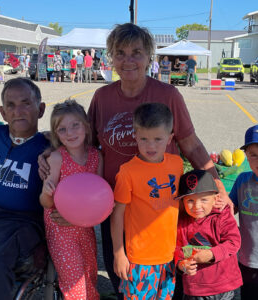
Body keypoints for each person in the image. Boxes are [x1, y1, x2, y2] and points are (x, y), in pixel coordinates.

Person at [39, 23, 229, 299]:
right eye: (120, 53)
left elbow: (191, 144)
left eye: (136, 52)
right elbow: (83, 140)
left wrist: (218, 185)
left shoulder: (168, 95)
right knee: (123, 276)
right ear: (112, 58)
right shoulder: (103, 97)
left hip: (159, 206)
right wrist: (49, 148)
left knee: (165, 278)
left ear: (149, 56)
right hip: (115, 204)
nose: (128, 60)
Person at [111, 103, 183, 298]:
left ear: (170, 139)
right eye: (144, 139)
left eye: (158, 139)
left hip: (169, 256)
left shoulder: (177, 165)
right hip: (139, 259)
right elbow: (117, 214)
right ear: (135, 136)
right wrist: (119, 253)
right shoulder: (128, 172)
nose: (150, 146)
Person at [0, 77, 48, 300]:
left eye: (26, 103)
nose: (18, 111)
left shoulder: (51, 147)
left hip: (23, 222)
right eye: (11, 106)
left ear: (40, 109)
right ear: (3, 113)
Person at [39, 99, 103, 300]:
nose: (70, 133)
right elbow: (46, 204)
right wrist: (47, 193)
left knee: (90, 276)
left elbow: (100, 198)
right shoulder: (57, 158)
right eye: (62, 129)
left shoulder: (96, 157)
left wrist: (84, 219)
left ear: (86, 126)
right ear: (56, 134)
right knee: (74, 284)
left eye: (75, 125)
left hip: (85, 228)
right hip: (61, 229)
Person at [175, 169, 242, 299]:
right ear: (182, 201)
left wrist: (211, 254)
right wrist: (181, 265)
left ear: (216, 199)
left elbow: (234, 242)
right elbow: (178, 249)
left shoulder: (222, 215)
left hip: (225, 286)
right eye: (190, 201)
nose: (197, 206)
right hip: (195, 289)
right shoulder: (182, 221)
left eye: (204, 200)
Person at [230, 124, 258, 300]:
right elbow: (228, 210)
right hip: (248, 260)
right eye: (253, 155)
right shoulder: (242, 181)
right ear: (246, 157)